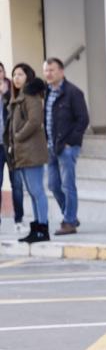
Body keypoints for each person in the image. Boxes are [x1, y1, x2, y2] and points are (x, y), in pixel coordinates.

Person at [41, 57, 90, 235]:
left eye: (52, 70)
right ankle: (70, 216)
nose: (48, 73)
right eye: (46, 70)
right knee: (53, 185)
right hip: (51, 146)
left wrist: (71, 142)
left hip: (67, 146)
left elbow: (83, 119)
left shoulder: (73, 92)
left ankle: (69, 222)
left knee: (68, 185)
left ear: (61, 71)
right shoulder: (46, 92)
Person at [4, 64, 50, 243]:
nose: (16, 78)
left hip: (31, 151)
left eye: (20, 74)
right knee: (31, 192)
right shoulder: (17, 97)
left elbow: (35, 121)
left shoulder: (30, 96)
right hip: (22, 152)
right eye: (14, 74)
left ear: (28, 77)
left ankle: (43, 229)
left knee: (37, 191)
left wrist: (17, 136)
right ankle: (37, 227)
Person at [0, 62, 25, 233]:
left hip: (11, 145)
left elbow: (18, 110)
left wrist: (5, 94)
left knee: (16, 183)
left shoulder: (12, 90)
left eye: (0, 71)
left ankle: (18, 219)